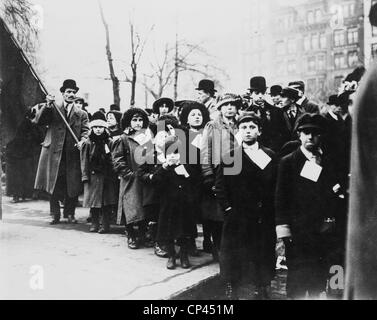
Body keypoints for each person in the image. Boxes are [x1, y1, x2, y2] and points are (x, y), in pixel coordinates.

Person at [275, 113, 341, 299]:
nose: (310, 137)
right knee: (297, 276)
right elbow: (281, 198)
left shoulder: (327, 161)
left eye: (315, 133)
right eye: (306, 132)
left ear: (321, 136)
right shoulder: (288, 162)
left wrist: (330, 218)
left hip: (322, 229)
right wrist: (283, 230)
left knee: (318, 276)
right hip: (297, 230)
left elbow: (332, 193)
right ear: (299, 135)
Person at [215, 112, 277, 300]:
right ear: (238, 131)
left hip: (262, 215)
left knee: (263, 251)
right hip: (237, 215)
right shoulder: (231, 157)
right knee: (234, 252)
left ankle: (263, 286)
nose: (248, 131)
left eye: (252, 127)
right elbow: (220, 187)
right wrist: (228, 209)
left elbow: (276, 185)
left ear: (259, 131)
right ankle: (232, 286)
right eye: (244, 128)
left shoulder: (269, 156)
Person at [31, 79, 89, 224]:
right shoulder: (53, 108)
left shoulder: (81, 114)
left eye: (73, 92)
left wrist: (83, 141)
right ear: (62, 93)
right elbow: (40, 121)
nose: (71, 94)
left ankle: (70, 213)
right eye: (68, 92)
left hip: (72, 154)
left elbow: (86, 131)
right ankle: (54, 213)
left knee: (72, 184)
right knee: (54, 183)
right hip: (53, 152)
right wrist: (48, 105)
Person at [200, 93, 241, 260]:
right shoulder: (212, 126)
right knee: (218, 213)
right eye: (226, 105)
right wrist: (208, 174)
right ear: (220, 108)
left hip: (238, 173)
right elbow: (205, 151)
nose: (230, 107)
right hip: (219, 173)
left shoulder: (242, 125)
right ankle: (218, 248)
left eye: (233, 104)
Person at [149, 135, 197, 270]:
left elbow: (194, 180)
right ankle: (171, 255)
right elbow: (155, 182)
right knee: (168, 232)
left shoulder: (187, 165)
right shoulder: (163, 168)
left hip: (184, 205)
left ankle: (184, 255)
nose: (174, 156)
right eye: (170, 153)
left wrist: (184, 170)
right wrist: (165, 167)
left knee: (184, 231)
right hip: (168, 205)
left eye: (177, 152)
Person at [112, 108, 151, 249]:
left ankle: (142, 233)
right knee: (130, 206)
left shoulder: (148, 138)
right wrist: (128, 173)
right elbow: (117, 159)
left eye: (140, 120)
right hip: (130, 178)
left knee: (143, 206)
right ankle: (130, 234)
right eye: (134, 120)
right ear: (129, 122)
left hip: (144, 178)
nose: (138, 123)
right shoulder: (123, 139)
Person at [179, 101, 211, 257]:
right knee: (189, 210)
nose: (197, 117)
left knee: (206, 209)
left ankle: (208, 240)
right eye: (193, 115)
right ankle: (190, 241)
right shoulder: (182, 135)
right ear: (186, 118)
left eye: (199, 114)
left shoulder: (208, 134)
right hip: (188, 179)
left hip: (205, 176)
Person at [81, 111, 118, 233]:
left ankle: (105, 224)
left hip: (107, 175)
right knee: (94, 202)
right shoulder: (88, 143)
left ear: (105, 128)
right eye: (95, 127)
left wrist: (114, 173)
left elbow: (114, 158)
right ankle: (94, 223)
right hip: (93, 176)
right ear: (92, 128)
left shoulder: (110, 142)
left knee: (106, 202)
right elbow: (84, 160)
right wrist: (85, 176)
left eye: (101, 127)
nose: (98, 130)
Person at [245, 76, 287, 152]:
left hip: (275, 152)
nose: (260, 96)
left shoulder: (277, 111)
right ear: (251, 94)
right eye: (257, 93)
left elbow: (284, 134)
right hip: (253, 153)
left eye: (263, 92)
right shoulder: (246, 114)